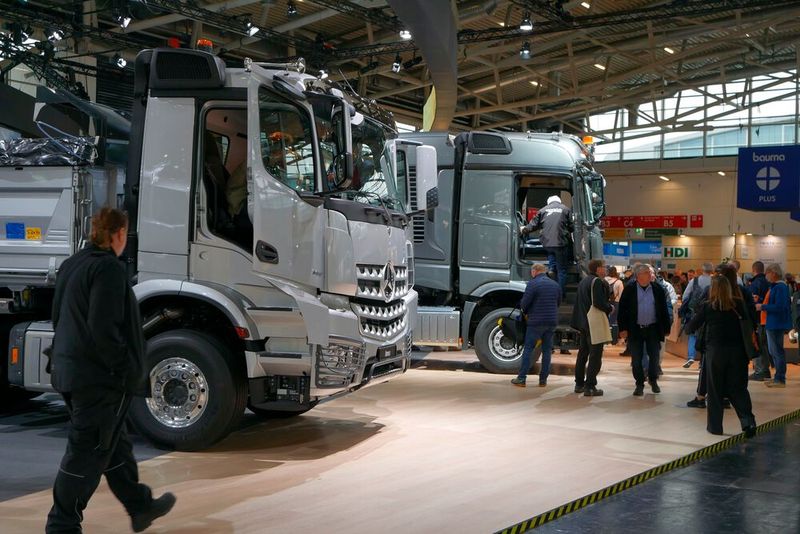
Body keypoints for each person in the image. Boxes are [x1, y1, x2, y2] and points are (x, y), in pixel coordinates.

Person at [46, 208, 176, 534]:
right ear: (119, 234)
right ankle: (62, 525)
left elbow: (59, 317)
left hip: (69, 371)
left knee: (113, 444)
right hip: (98, 379)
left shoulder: (73, 264)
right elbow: (104, 328)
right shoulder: (109, 270)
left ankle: (140, 506)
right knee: (87, 451)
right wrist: (123, 370)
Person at [685, 275, 757, 437]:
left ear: (714, 289)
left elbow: (691, 327)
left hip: (715, 353)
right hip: (738, 353)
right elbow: (750, 322)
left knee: (715, 390)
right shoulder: (739, 304)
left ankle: (715, 427)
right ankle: (748, 422)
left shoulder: (709, 306)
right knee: (739, 389)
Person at [618, 263, 672, 396]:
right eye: (647, 273)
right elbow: (622, 311)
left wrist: (666, 327)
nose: (651, 275)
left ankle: (653, 380)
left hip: (653, 329)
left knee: (654, 357)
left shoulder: (657, 289)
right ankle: (639, 384)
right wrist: (622, 328)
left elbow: (663, 310)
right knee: (636, 359)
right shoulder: (629, 289)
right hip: (635, 329)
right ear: (639, 276)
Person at [511, 264, 561, 387]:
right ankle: (543, 380)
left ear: (535, 271)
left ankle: (522, 378)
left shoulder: (533, 284)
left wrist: (526, 311)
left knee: (528, 349)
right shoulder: (555, 285)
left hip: (536, 322)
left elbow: (524, 304)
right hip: (551, 322)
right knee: (547, 351)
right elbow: (558, 302)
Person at [569, 259, 612, 396]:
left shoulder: (584, 281)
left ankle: (579, 384)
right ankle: (590, 386)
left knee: (582, 355)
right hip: (594, 323)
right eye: (604, 267)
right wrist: (609, 308)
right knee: (595, 356)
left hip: (583, 323)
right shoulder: (597, 282)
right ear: (598, 269)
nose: (605, 270)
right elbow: (599, 302)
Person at [520, 195, 574, 298]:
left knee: (552, 268)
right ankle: (560, 294)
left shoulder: (543, 210)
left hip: (547, 244)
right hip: (561, 244)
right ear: (559, 201)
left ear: (549, 202)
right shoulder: (565, 209)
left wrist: (523, 230)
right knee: (562, 270)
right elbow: (572, 226)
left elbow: (533, 225)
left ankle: (551, 286)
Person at [756, 263, 792, 388]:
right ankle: (778, 377)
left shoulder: (780, 287)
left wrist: (762, 306)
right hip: (772, 322)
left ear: (774, 273)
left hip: (776, 323)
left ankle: (780, 379)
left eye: (767, 273)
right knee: (774, 351)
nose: (766, 275)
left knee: (777, 351)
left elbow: (780, 307)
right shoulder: (775, 287)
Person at [680, 262, 714, 368]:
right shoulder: (715, 281)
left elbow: (685, 296)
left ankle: (691, 357)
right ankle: (703, 361)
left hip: (694, 312)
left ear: (702, 270)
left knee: (692, 335)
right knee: (707, 336)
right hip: (710, 312)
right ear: (712, 271)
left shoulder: (694, 281)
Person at [748, 261, 772, 381]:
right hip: (768, 318)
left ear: (754, 270)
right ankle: (765, 370)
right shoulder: (769, 283)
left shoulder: (755, 284)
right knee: (765, 345)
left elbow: (752, 303)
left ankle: (760, 371)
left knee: (757, 343)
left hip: (757, 319)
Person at [605, 266, 624, 344]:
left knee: (605, 321)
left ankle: (605, 340)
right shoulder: (619, 282)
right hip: (616, 303)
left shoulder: (604, 280)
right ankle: (614, 340)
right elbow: (622, 295)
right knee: (614, 321)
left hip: (605, 303)